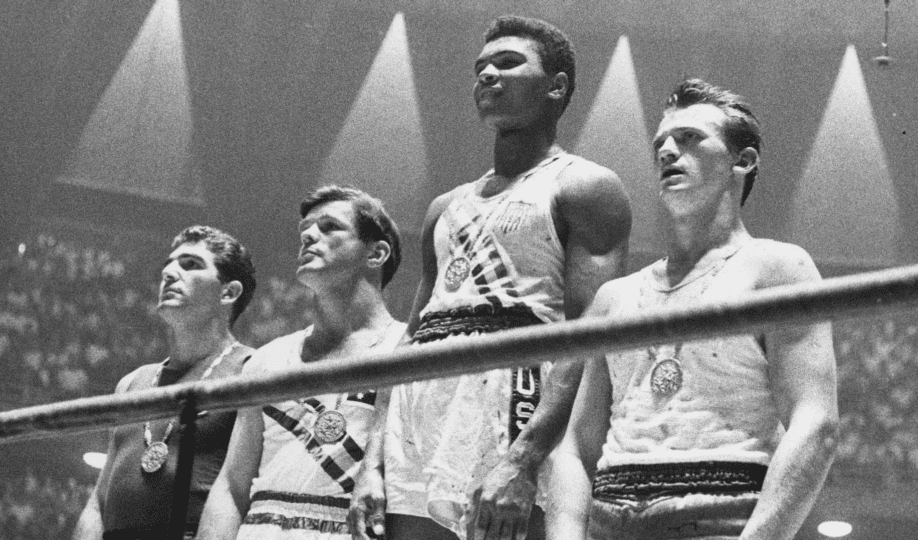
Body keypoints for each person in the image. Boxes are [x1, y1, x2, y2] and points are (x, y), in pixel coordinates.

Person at [349, 15, 632, 540]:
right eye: (481, 68)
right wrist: (371, 462)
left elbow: (589, 338)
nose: (488, 76)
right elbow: (410, 338)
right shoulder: (443, 206)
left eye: (508, 63)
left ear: (557, 86)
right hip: (419, 399)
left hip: (513, 391)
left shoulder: (586, 186)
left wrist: (524, 457)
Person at [551, 78, 839, 540]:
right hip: (610, 517)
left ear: (741, 161)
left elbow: (816, 422)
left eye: (688, 138)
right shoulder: (614, 297)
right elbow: (574, 448)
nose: (666, 151)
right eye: (661, 142)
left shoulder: (775, 268)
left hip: (723, 516)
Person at [195, 186, 407, 539]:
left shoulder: (410, 352)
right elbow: (233, 486)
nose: (309, 235)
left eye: (329, 227)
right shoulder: (267, 359)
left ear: (376, 253)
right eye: (305, 229)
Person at [72, 225, 258, 540]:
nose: (170, 273)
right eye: (169, 264)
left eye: (191, 264)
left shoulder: (252, 369)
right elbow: (98, 503)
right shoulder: (132, 382)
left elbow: (241, 492)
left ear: (228, 292)